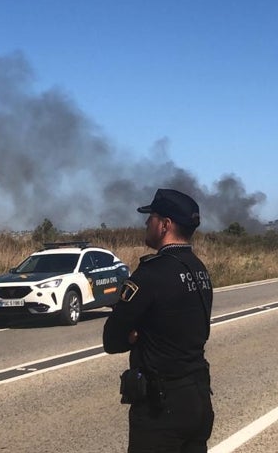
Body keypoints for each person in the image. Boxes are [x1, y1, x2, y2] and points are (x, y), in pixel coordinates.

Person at [103, 188, 214, 453]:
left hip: (162, 408)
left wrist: (136, 334)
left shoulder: (150, 274)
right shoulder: (199, 269)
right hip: (198, 396)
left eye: (151, 217)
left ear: (165, 225)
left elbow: (113, 339)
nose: (145, 223)